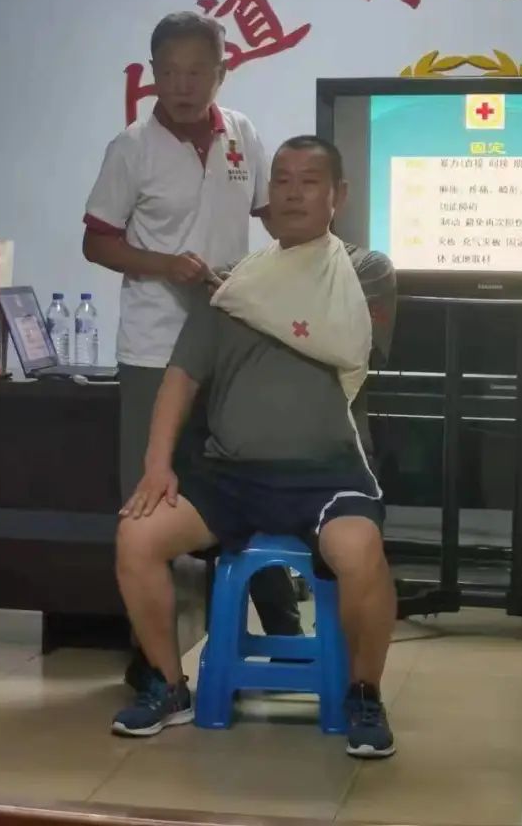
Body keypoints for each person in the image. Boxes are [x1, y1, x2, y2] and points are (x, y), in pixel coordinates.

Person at [110, 137, 397, 759]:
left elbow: (349, 339)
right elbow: (181, 377)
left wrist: (243, 291)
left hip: (329, 475)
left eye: (310, 181)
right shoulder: (236, 282)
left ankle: (364, 693)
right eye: (282, 181)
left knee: (361, 551)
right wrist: (157, 466)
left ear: (339, 195)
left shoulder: (364, 272)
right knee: (137, 536)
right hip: (232, 475)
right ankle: (169, 685)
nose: (292, 193)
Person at [84, 12, 303, 687]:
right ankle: (150, 658)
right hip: (154, 347)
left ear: (222, 72)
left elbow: (272, 216)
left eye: (196, 72)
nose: (181, 86)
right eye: (169, 73)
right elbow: (96, 241)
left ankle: (282, 630)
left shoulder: (243, 134)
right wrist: (161, 264)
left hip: (230, 345)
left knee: (250, 477)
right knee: (147, 497)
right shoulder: (131, 148)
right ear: (153, 74)